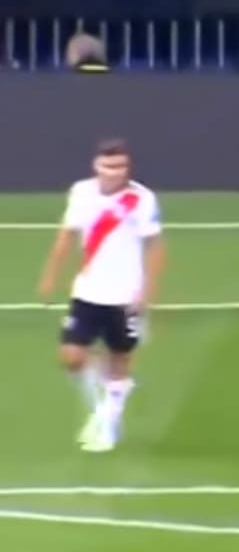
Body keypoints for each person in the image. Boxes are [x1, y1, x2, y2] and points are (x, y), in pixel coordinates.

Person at [37, 139, 165, 453]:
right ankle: (109, 397)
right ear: (96, 166)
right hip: (88, 291)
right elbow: (67, 235)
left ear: (128, 167)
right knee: (71, 357)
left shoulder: (141, 199)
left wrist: (146, 292)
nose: (114, 172)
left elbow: (156, 247)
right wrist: (50, 275)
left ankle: (110, 415)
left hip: (125, 296)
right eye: (108, 166)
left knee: (120, 359)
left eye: (120, 166)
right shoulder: (81, 192)